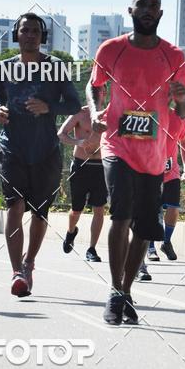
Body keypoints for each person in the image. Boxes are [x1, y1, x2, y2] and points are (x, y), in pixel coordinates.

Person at [87, 0, 185, 325]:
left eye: (154, 5)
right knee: (120, 215)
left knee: (145, 228)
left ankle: (126, 291)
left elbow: (184, 109)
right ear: (130, 11)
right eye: (141, 4)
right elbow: (94, 84)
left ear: (160, 14)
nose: (147, 9)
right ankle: (115, 292)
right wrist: (94, 110)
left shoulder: (174, 56)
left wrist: (181, 100)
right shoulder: (111, 50)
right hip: (117, 144)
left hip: (153, 152)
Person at [0, 12, 80, 297]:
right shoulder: (4, 68)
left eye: (34, 31)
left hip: (45, 151)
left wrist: (48, 107)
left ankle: (30, 263)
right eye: (24, 30)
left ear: (42, 37)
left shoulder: (56, 67)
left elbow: (74, 104)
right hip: (12, 147)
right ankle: (16, 271)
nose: (29, 35)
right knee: (15, 206)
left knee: (40, 212)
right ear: (16, 35)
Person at [57, 105, 107, 261]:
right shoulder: (80, 113)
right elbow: (61, 134)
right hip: (81, 165)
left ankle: (92, 249)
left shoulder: (109, 114)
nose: (100, 92)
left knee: (99, 209)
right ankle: (71, 231)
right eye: (96, 89)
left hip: (101, 166)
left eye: (102, 89)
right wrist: (78, 141)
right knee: (77, 210)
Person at [147, 106, 185, 262]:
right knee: (151, 210)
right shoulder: (149, 114)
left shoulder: (179, 118)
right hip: (150, 169)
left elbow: (184, 142)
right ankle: (150, 247)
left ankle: (166, 242)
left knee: (173, 207)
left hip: (171, 172)